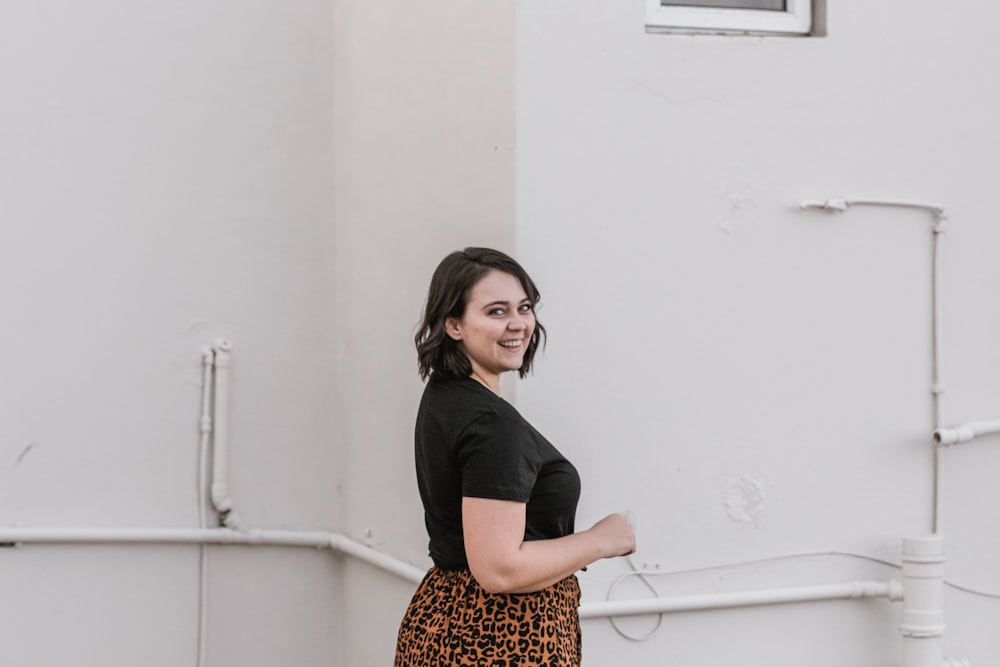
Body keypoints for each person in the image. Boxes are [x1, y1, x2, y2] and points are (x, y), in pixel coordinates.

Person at [393, 247, 636, 667]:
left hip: (444, 620)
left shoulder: (445, 396)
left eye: (524, 307)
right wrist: (602, 540)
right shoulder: (491, 425)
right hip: (502, 636)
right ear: (454, 324)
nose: (518, 324)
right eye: (496, 311)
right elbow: (499, 569)